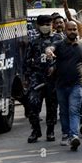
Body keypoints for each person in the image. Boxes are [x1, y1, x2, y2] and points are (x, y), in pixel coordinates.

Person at [45, 21, 82, 151]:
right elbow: (50, 48)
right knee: (63, 111)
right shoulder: (58, 45)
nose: (73, 31)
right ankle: (65, 134)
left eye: (74, 29)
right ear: (65, 31)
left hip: (77, 84)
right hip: (61, 85)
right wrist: (49, 51)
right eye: (69, 29)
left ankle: (74, 136)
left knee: (74, 110)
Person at [23, 15, 63, 143]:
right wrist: (27, 78)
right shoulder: (34, 41)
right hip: (37, 77)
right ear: (38, 26)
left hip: (53, 78)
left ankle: (50, 131)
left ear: (52, 25)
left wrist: (55, 68)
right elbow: (27, 61)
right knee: (33, 104)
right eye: (43, 24)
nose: (46, 26)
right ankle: (36, 130)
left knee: (52, 106)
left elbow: (64, 59)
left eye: (48, 24)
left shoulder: (59, 39)